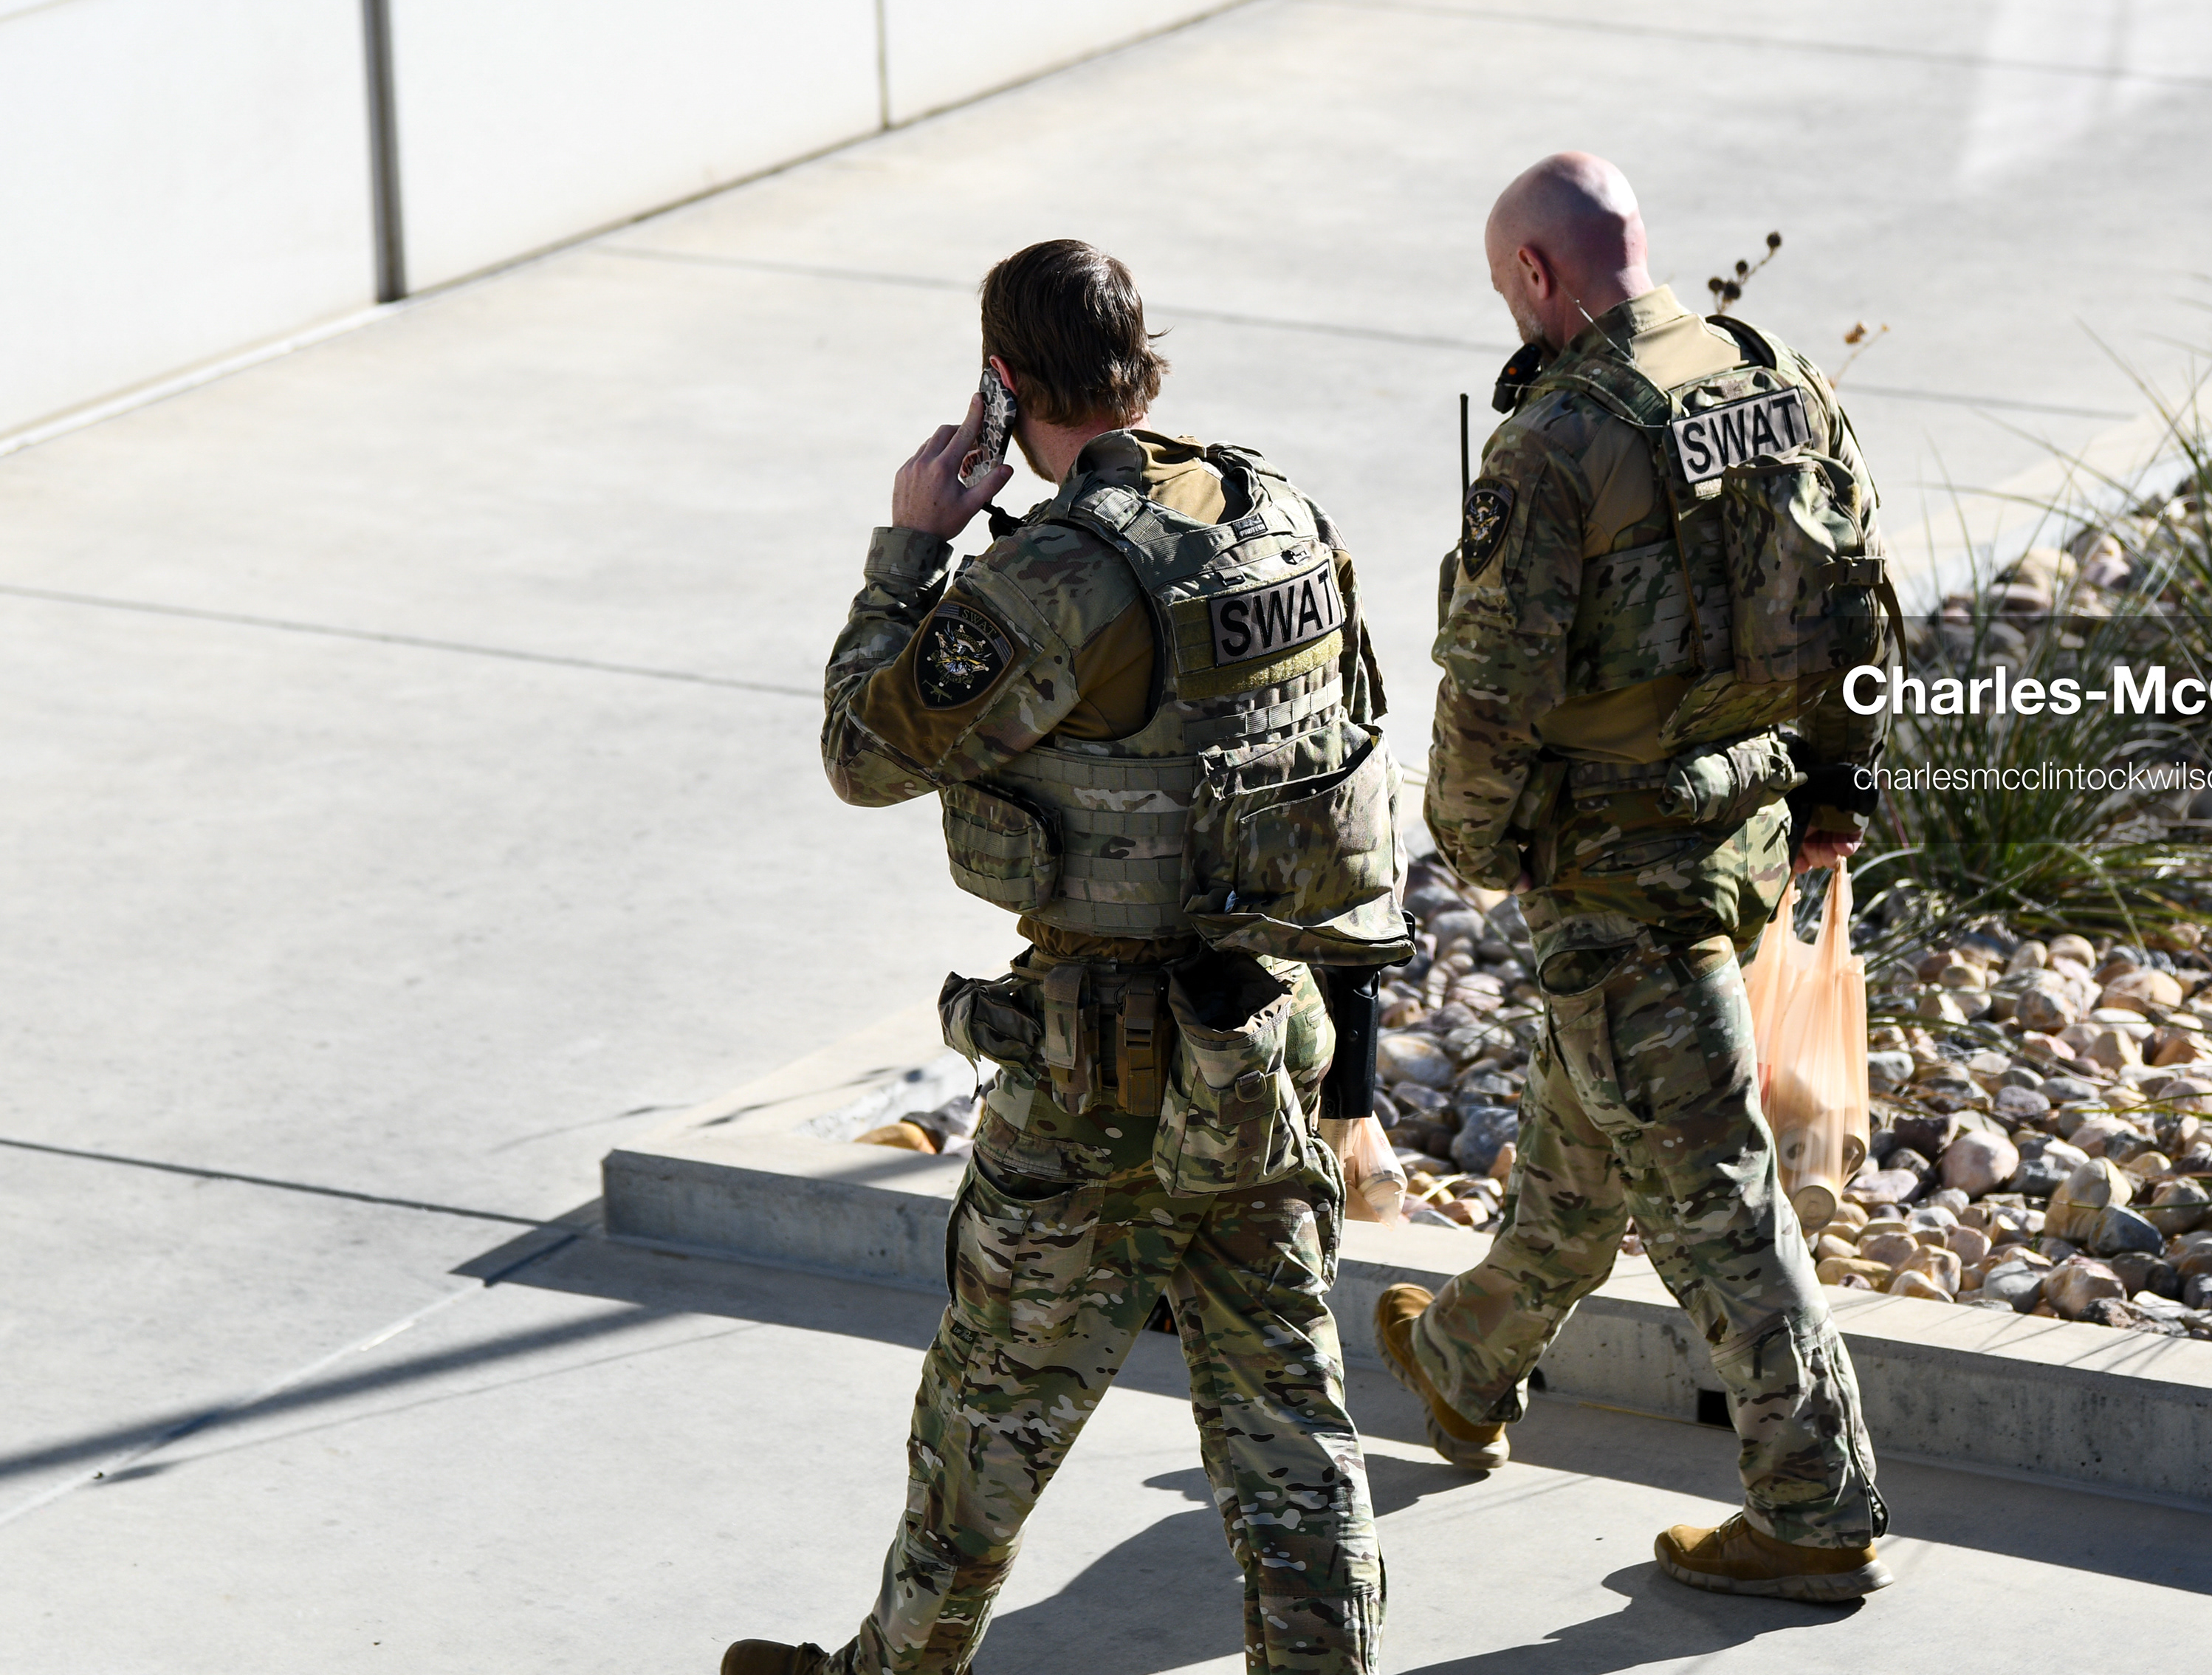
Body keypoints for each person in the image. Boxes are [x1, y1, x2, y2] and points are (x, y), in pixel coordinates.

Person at [724, 240, 1399, 1675]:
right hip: (1264, 1039)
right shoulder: (1273, 512)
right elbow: (1349, 782)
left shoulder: (1053, 573)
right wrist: (1355, 1076)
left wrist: (913, 541)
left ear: (1003, 381)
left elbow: (866, 749)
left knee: (988, 1416)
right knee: (1289, 1421)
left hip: (1098, 1075)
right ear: (1146, 363)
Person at [1373, 153, 1897, 1603]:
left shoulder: (1552, 443)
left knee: (1712, 1192)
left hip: (1614, 869)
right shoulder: (1770, 371)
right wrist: (1838, 778)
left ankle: (1815, 1506)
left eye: (1505, 289)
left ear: (1538, 275)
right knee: (1592, 1120)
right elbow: (1860, 590)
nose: (1511, 316)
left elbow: (1488, 689)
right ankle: (1470, 1358)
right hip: (1743, 823)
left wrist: (1476, 849)